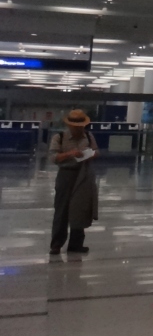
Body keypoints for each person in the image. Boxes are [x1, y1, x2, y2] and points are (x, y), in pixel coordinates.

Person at [48, 109, 98, 255]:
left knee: (80, 209)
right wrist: (70, 154)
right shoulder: (59, 137)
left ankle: (76, 244)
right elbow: (53, 157)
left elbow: (96, 151)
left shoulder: (88, 136)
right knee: (61, 210)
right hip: (66, 174)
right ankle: (56, 244)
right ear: (69, 125)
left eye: (81, 126)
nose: (79, 129)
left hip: (83, 174)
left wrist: (90, 155)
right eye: (76, 126)